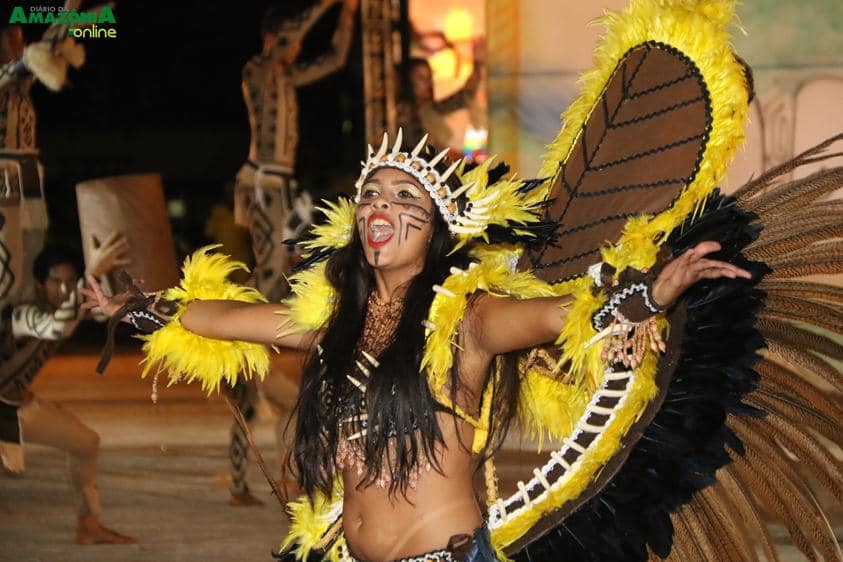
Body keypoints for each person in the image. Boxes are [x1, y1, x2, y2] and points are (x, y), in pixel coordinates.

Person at [83, 134, 749, 561]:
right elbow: (233, 318)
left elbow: (555, 316)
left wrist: (648, 296)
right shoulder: (335, 325)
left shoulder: (467, 320)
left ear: (435, 231)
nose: (379, 203)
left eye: (405, 195)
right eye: (370, 192)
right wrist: (135, 307)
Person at [225, 0, 359, 507]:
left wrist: (346, 19)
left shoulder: (285, 76)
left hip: (279, 186)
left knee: (286, 277)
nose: (298, 47)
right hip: (261, 184)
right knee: (271, 276)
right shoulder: (258, 70)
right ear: (276, 35)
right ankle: (244, 339)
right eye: (293, 38)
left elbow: (334, 61)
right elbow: (288, 42)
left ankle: (253, 346)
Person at [0, 238, 136, 545]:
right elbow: (56, 327)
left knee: (86, 443)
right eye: (55, 282)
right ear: (39, 284)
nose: (63, 290)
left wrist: (109, 276)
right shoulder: (20, 314)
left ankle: (88, 524)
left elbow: (106, 313)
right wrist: (91, 273)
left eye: (69, 282)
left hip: (16, 409)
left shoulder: (70, 306)